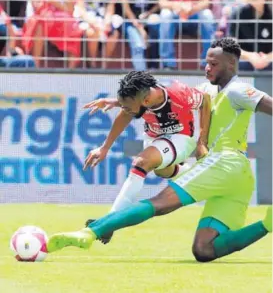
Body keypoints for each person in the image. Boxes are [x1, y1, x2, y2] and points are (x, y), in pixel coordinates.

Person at [47, 38, 272, 262]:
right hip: (238, 176)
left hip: (224, 161)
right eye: (206, 62)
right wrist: (116, 102)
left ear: (232, 64)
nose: (207, 68)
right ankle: (268, 224)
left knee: (159, 203)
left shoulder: (239, 90)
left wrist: (202, 141)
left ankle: (91, 232)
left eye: (214, 64)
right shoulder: (207, 90)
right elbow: (166, 96)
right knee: (204, 250)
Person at [86, 70, 210, 243]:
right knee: (162, 171)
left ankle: (108, 224)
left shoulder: (179, 93)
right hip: (154, 136)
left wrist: (201, 141)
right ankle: (198, 176)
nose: (125, 109)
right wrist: (104, 147)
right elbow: (128, 111)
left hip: (181, 137)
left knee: (142, 162)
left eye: (127, 106)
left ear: (145, 101)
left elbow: (205, 100)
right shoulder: (142, 98)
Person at [156, 0, 215, 69]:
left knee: (207, 15)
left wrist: (191, 8)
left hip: (194, 13)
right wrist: (179, 6)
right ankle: (168, 63)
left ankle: (208, 61)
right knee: (165, 14)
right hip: (175, 12)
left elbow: (205, 2)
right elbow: (162, 3)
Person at [229, 0, 272, 71]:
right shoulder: (238, 14)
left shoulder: (271, 14)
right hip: (245, 59)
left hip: (269, 59)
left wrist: (267, 58)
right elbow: (231, 45)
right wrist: (250, 56)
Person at [118, 0, 160, 70]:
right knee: (138, 44)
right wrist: (140, 28)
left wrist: (148, 14)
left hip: (147, 18)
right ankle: (141, 76)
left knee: (156, 31)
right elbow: (125, 8)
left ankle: (154, 68)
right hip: (129, 21)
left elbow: (158, 3)